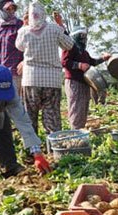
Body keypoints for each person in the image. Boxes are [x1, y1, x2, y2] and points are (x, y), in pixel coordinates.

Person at [16, 2, 74, 134]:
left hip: (31, 80)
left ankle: (32, 150)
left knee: (30, 116)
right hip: (51, 81)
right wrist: (61, 26)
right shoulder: (54, 29)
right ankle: (54, 148)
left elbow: (19, 46)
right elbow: (69, 45)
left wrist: (26, 25)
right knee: (52, 116)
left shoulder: (23, 32)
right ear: (44, 14)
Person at [61, 27, 111, 129]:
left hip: (84, 83)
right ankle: (75, 133)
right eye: (82, 37)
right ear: (76, 37)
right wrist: (79, 65)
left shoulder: (84, 52)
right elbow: (64, 62)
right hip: (74, 82)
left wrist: (103, 59)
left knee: (83, 109)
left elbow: (92, 62)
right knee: (76, 108)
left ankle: (80, 131)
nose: (84, 39)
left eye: (85, 37)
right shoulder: (70, 47)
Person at [0, 1, 24, 96]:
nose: (11, 11)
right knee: (0, 104)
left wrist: (24, 62)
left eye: (13, 8)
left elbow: (29, 46)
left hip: (15, 73)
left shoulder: (20, 25)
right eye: (8, 9)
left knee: (16, 104)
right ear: (0, 10)